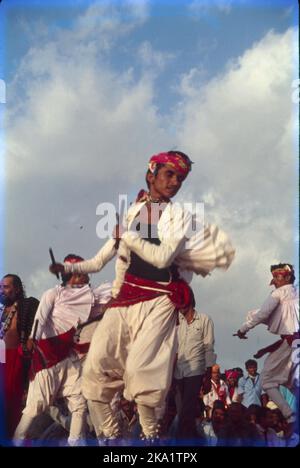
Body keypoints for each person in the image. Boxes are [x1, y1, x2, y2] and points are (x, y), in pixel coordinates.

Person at [50, 151, 235, 443]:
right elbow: (101, 261)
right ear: (151, 175)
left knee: (142, 373)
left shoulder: (178, 215)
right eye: (169, 174)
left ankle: (150, 438)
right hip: (125, 299)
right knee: (95, 370)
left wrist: (127, 235)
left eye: (180, 178)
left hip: (159, 299)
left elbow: (161, 258)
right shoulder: (134, 211)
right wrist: (69, 267)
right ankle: (113, 439)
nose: (175, 182)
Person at [13, 254, 111, 446]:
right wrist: (33, 338)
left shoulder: (86, 297)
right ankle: (18, 440)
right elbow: (39, 318)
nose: (88, 274)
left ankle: (76, 442)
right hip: (46, 360)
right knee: (34, 408)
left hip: (67, 359)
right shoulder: (53, 294)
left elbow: (99, 308)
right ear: (74, 275)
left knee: (79, 404)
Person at [235, 263, 299, 436]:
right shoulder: (295, 293)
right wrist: (265, 350)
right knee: (289, 381)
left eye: (278, 277)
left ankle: (291, 417)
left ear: (287, 277)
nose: (275, 281)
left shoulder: (278, 294)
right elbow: (288, 332)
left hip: (292, 344)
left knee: (268, 381)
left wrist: (243, 329)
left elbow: (263, 314)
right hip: (291, 344)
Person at [174, 290, 216, 441]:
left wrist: (208, 374)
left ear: (189, 300)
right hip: (178, 372)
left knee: (187, 410)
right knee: (182, 412)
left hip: (196, 370)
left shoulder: (204, 319)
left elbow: (209, 347)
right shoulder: (176, 322)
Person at [0, 274, 39, 437]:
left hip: (15, 359)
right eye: (1, 287)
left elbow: (39, 323)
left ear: (17, 288)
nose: (2, 290)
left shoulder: (27, 305)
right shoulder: (3, 311)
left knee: (10, 402)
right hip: (1, 358)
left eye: (6, 287)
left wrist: (30, 340)